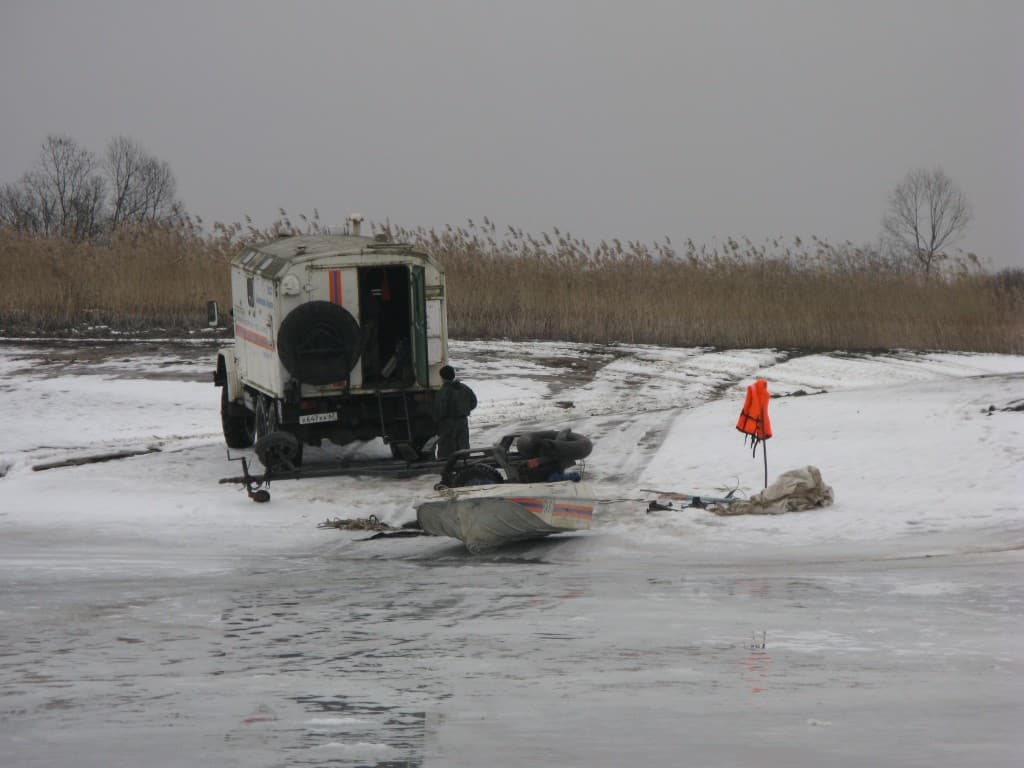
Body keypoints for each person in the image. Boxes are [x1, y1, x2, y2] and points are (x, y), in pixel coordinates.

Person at [433, 365, 477, 459]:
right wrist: (465, 410)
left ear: (442, 377)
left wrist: (437, 421)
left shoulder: (443, 392)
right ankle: (465, 465)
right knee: (463, 445)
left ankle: (446, 469)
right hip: (462, 421)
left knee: (446, 449)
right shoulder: (464, 388)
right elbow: (473, 402)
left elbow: (440, 410)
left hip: (447, 423)